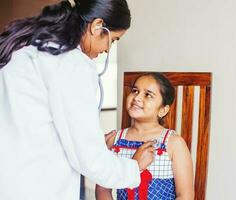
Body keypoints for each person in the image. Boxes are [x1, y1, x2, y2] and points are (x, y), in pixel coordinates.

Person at [0, 0, 156, 199]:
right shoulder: (72, 64)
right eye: (113, 40)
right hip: (39, 188)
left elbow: (36, 125)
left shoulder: (26, 51)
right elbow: (90, 160)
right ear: (97, 26)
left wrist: (91, 140)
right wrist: (135, 167)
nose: (108, 49)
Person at [96, 72, 194, 200]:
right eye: (135, 91)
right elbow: (103, 189)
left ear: (162, 110)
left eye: (148, 95)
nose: (137, 97)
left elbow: (185, 196)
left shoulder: (173, 143)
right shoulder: (115, 140)